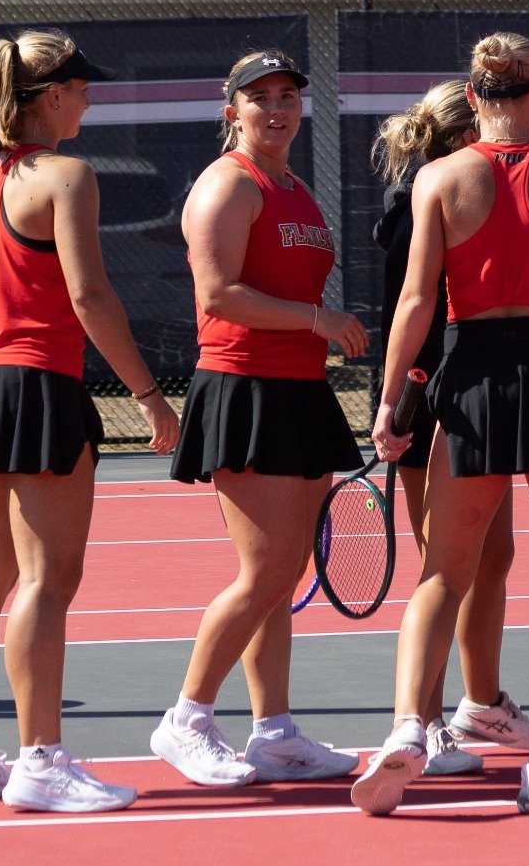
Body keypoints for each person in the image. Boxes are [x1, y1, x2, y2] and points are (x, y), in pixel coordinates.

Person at [353, 32, 529, 816]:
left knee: (443, 572)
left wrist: (387, 402)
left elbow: (415, 303)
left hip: (470, 375)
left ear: (472, 98)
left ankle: (411, 728)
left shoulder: (438, 177)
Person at [0, 30, 180, 813]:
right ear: (50, 96)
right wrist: (149, 395)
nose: (90, 97)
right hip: (36, 383)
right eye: (80, 86)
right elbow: (91, 297)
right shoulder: (68, 175)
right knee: (46, 578)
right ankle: (39, 759)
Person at [150, 51, 374, 788]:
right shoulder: (227, 185)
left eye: (287, 96)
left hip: (299, 389)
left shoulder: (295, 186)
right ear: (232, 111)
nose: (276, 109)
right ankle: (186, 718)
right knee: (266, 567)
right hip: (245, 387)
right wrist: (318, 319)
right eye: (260, 98)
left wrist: (317, 329)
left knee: (283, 574)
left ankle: (274, 731)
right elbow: (217, 294)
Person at [370, 79, 529, 777]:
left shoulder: (467, 195)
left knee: (492, 558)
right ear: (472, 132)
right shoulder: (424, 202)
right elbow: (408, 314)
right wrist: (396, 403)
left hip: (468, 396)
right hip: (429, 401)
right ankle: (424, 723)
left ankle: (480, 702)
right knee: (447, 567)